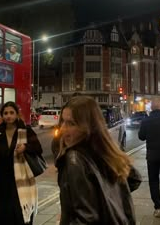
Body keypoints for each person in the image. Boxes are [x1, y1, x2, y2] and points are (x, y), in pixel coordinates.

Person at [55, 95, 136, 224]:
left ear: (88, 126)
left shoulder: (74, 159)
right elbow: (134, 179)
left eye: (71, 123)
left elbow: (86, 218)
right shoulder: (104, 152)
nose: (63, 129)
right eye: (62, 122)